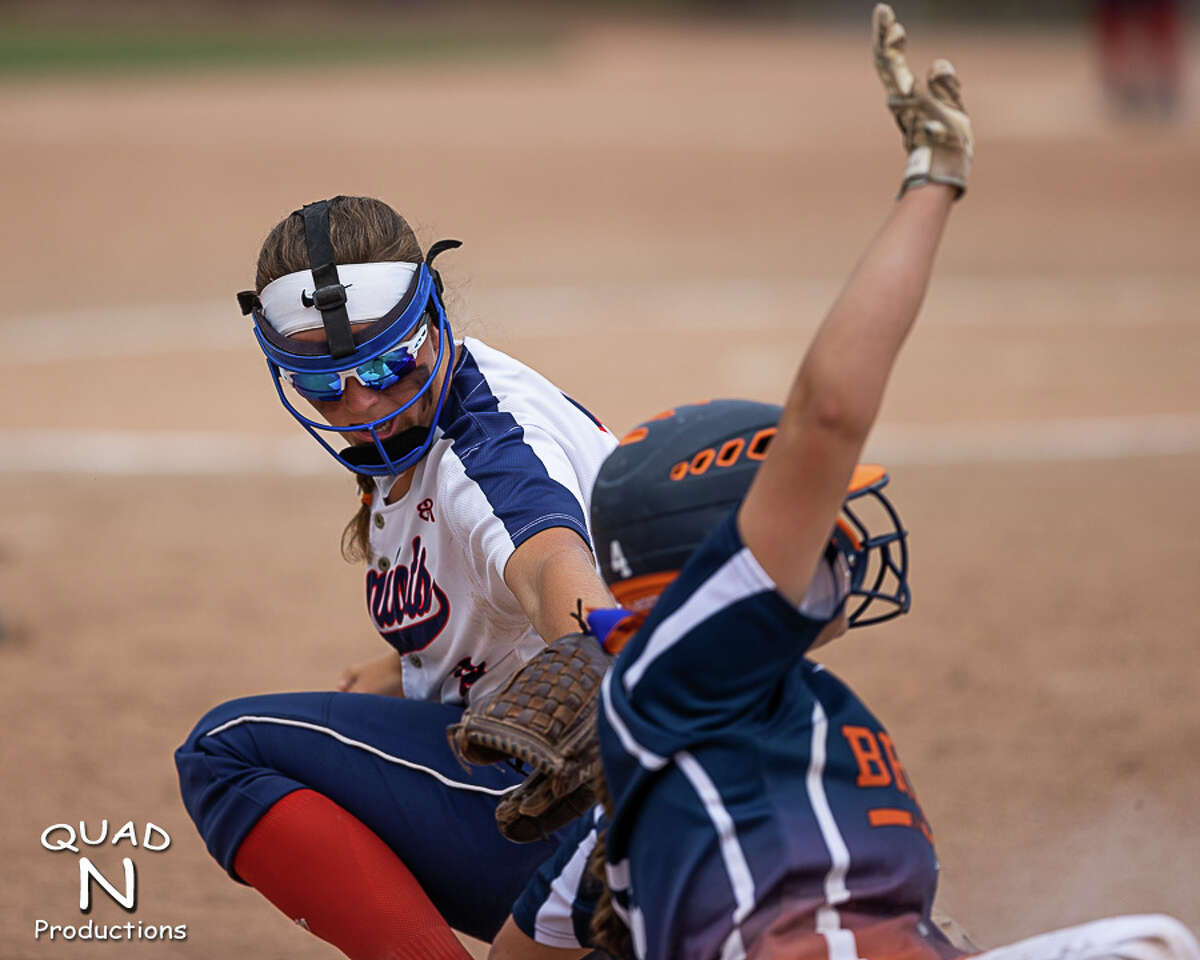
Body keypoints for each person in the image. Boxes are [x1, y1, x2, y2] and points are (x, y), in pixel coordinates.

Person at [483, 7, 1200, 960]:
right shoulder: (675, 674)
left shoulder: (754, 714)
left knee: (1151, 942)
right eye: (818, 517)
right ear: (717, 564)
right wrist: (931, 182)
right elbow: (826, 415)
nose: (847, 537)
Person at [175, 195, 618, 959]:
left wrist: (595, 647)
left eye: (386, 364)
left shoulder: (490, 453)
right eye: (322, 385)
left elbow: (549, 559)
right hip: (592, 800)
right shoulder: (423, 412)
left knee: (226, 750)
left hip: (597, 804)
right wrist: (402, 667)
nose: (363, 405)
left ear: (434, 313)